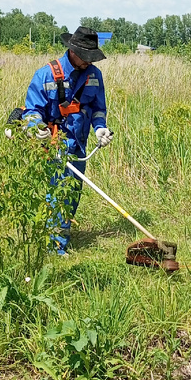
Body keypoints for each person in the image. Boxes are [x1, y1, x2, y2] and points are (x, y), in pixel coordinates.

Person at [21, 26, 113, 254]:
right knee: (58, 193)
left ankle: (61, 235)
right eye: (86, 57)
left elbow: (97, 108)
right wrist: (36, 128)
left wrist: (100, 129)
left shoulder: (94, 75)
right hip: (54, 145)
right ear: (73, 51)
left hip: (79, 145)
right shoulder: (46, 75)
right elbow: (32, 110)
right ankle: (55, 248)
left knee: (73, 193)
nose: (90, 62)